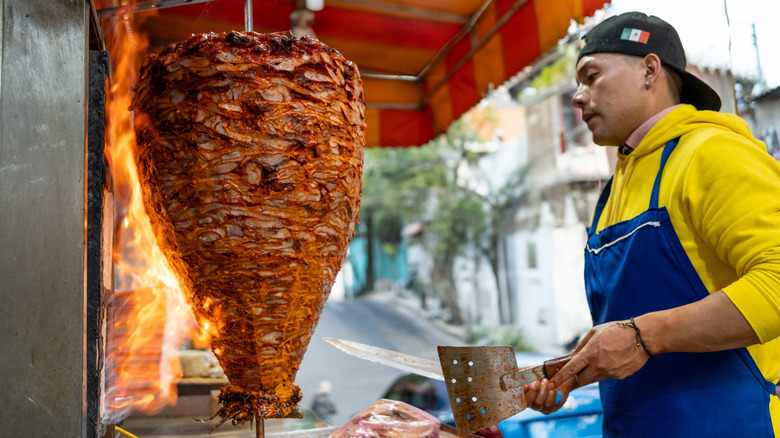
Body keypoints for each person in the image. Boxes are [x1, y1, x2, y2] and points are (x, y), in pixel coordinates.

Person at [521, 11, 780, 436]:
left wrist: (643, 336)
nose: (578, 97)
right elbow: (625, 325)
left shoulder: (711, 153)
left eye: (591, 76)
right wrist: (574, 371)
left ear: (649, 69)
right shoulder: (613, 190)